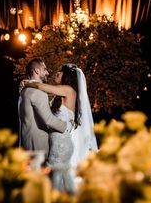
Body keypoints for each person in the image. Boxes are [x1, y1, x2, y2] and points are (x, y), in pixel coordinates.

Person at [24, 63, 98, 194]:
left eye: (60, 72)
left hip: (61, 144)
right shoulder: (61, 94)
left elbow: (40, 86)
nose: (56, 73)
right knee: (57, 177)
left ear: (67, 76)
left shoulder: (68, 89)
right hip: (56, 141)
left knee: (56, 178)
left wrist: (28, 83)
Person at [18, 58, 72, 163]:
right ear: (37, 71)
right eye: (45, 69)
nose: (47, 72)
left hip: (26, 143)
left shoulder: (24, 90)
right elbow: (48, 120)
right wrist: (68, 126)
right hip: (38, 145)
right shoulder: (37, 92)